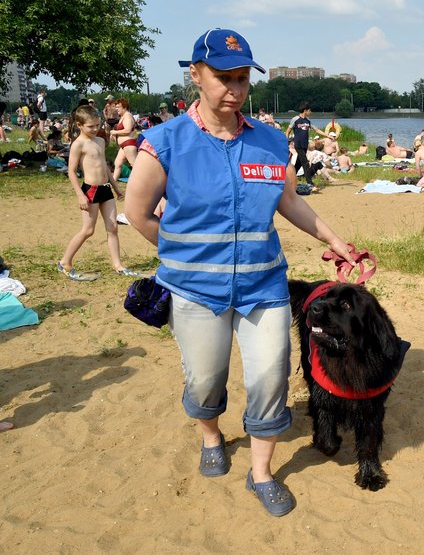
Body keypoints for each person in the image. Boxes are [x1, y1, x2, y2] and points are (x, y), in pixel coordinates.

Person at [124, 28, 356, 517]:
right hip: (194, 291)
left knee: (270, 375)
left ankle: (261, 472)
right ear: (195, 75)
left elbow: (289, 201)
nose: (234, 88)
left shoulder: (271, 142)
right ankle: (211, 434)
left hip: (263, 285)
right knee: (206, 379)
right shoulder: (163, 142)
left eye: (242, 78)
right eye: (222, 77)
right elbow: (139, 213)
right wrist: (180, 262)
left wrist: (333, 241)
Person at [56, 105, 140, 281]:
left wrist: (116, 187)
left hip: (105, 189)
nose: (95, 129)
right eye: (91, 126)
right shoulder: (78, 144)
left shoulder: (100, 141)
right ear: (79, 125)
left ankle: (118, 265)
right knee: (88, 230)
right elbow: (71, 171)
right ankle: (64, 262)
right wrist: (80, 194)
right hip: (90, 191)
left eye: (97, 125)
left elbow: (105, 167)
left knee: (113, 228)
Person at [286, 102, 330, 186]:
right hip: (298, 144)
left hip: (305, 145)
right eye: (310, 110)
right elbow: (288, 131)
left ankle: (289, 178)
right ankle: (310, 183)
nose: (311, 112)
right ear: (305, 110)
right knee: (305, 163)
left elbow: (316, 130)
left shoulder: (308, 120)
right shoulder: (295, 119)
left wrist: (327, 135)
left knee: (299, 163)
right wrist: (286, 142)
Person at [110, 98, 139, 181]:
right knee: (117, 163)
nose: (116, 109)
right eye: (116, 107)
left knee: (135, 165)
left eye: (118, 107)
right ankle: (113, 182)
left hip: (129, 144)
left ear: (124, 107)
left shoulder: (127, 116)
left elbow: (127, 130)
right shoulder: (123, 116)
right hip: (124, 145)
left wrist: (115, 132)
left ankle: (146, 183)